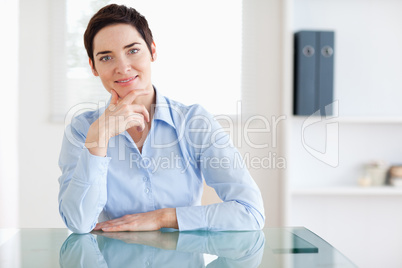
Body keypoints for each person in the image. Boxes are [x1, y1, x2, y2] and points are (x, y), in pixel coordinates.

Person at [58, 4, 265, 234]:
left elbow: (250, 212)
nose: (123, 67)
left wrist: (164, 217)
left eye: (133, 50)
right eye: (106, 57)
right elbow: (78, 223)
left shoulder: (193, 121)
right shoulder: (82, 130)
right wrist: (99, 138)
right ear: (93, 67)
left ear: (153, 51)